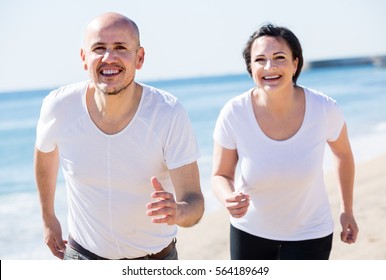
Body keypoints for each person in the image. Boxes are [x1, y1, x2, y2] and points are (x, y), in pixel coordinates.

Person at [34, 12, 204, 260]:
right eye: (99, 48)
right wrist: (48, 219)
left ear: (140, 58)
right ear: (84, 58)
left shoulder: (167, 113)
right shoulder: (59, 106)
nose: (109, 58)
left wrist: (178, 211)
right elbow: (44, 153)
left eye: (120, 48)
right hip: (83, 257)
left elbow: (195, 203)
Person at [212, 24, 358, 260]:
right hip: (250, 231)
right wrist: (227, 197)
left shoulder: (324, 108)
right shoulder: (234, 112)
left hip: (310, 233)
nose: (269, 67)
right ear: (251, 67)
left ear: (295, 64)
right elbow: (220, 174)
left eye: (279, 57)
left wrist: (347, 210)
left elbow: (343, 154)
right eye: (260, 59)